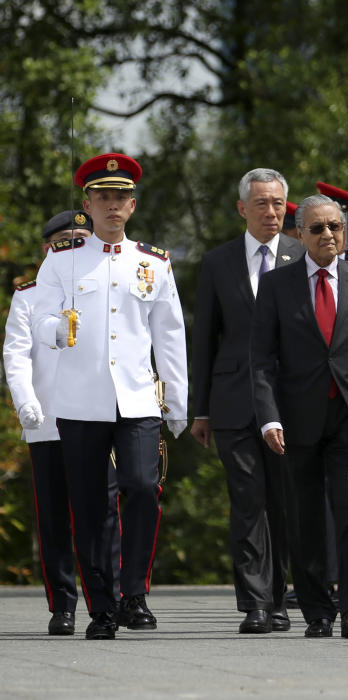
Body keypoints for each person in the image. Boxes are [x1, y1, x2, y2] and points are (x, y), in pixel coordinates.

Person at [31, 153, 188, 640]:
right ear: (87, 204)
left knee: (142, 487)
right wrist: (60, 329)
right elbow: (39, 321)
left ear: (133, 204)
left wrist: (178, 400)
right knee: (89, 506)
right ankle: (101, 606)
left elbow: (170, 334)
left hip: (137, 398)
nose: (112, 205)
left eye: (120, 197)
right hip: (80, 401)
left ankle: (133, 592)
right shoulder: (61, 261)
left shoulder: (153, 263)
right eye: (102, 197)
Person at [250, 193, 348, 639]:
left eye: (334, 227)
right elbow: (263, 360)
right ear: (300, 234)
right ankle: (317, 611)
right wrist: (269, 418)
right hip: (297, 420)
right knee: (305, 516)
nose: (328, 235)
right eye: (317, 228)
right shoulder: (277, 285)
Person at [190, 168, 302, 634]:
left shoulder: (303, 255)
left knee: (284, 501)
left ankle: (278, 598)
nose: (271, 212)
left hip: (291, 400)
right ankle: (255, 602)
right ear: (242, 208)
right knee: (247, 499)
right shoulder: (218, 263)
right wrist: (201, 407)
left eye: (278, 203)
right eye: (261, 203)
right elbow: (205, 338)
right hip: (234, 398)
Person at [3, 210, 120, 636]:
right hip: (49, 419)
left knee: (103, 514)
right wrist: (26, 402)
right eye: (64, 241)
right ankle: (63, 603)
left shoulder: (108, 285)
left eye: (80, 239)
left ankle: (110, 599)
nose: (73, 247)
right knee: (55, 517)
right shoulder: (29, 296)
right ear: (47, 249)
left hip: (96, 418)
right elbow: (15, 357)